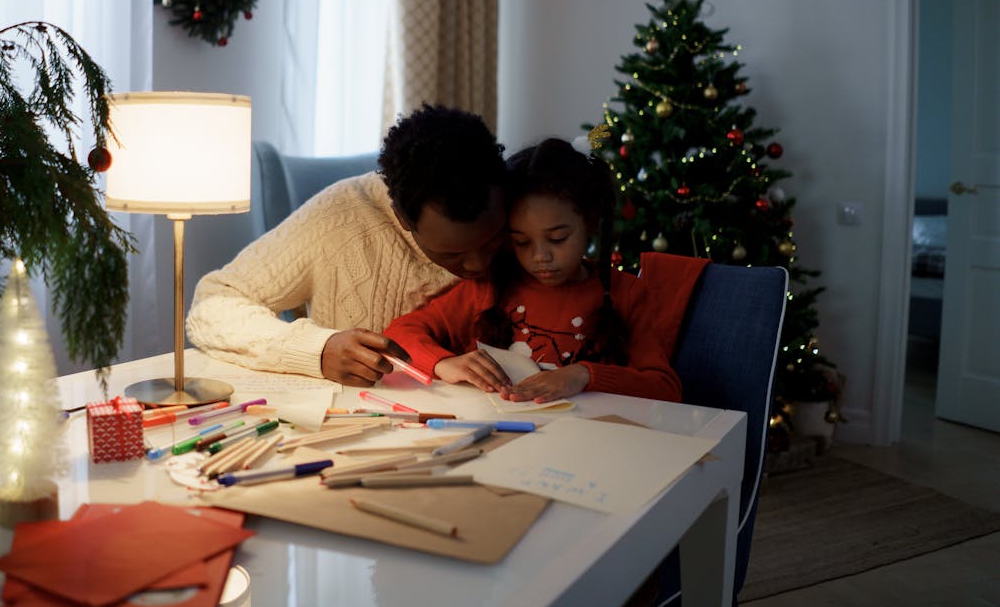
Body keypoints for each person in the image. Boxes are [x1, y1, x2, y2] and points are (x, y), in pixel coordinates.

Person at [185, 104, 508, 387]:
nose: (479, 265)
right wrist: (317, 349)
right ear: (402, 219)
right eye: (452, 255)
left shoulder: (528, 210)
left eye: (495, 238)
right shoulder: (340, 217)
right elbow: (213, 302)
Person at [383, 137, 709, 403]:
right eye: (521, 242)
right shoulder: (491, 287)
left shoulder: (627, 293)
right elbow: (400, 333)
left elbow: (664, 388)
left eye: (557, 238)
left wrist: (584, 374)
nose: (541, 257)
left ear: (590, 223)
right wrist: (443, 363)